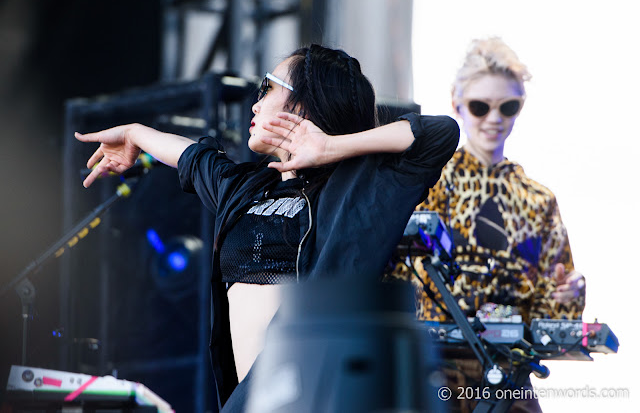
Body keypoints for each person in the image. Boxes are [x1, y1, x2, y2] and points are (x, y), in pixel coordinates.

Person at [75, 44, 460, 411]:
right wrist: (134, 134)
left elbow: (439, 133)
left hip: (317, 388)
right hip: (253, 395)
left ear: (310, 102)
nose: (255, 103)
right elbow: (192, 156)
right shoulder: (244, 188)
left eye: (268, 87)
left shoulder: (359, 190)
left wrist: (328, 148)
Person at [385, 37, 586, 412]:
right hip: (430, 370)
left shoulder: (538, 201)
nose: (494, 119)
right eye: (480, 106)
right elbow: (388, 275)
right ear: (456, 103)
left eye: (508, 107)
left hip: (508, 377)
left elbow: (552, 321)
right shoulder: (428, 182)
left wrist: (567, 294)